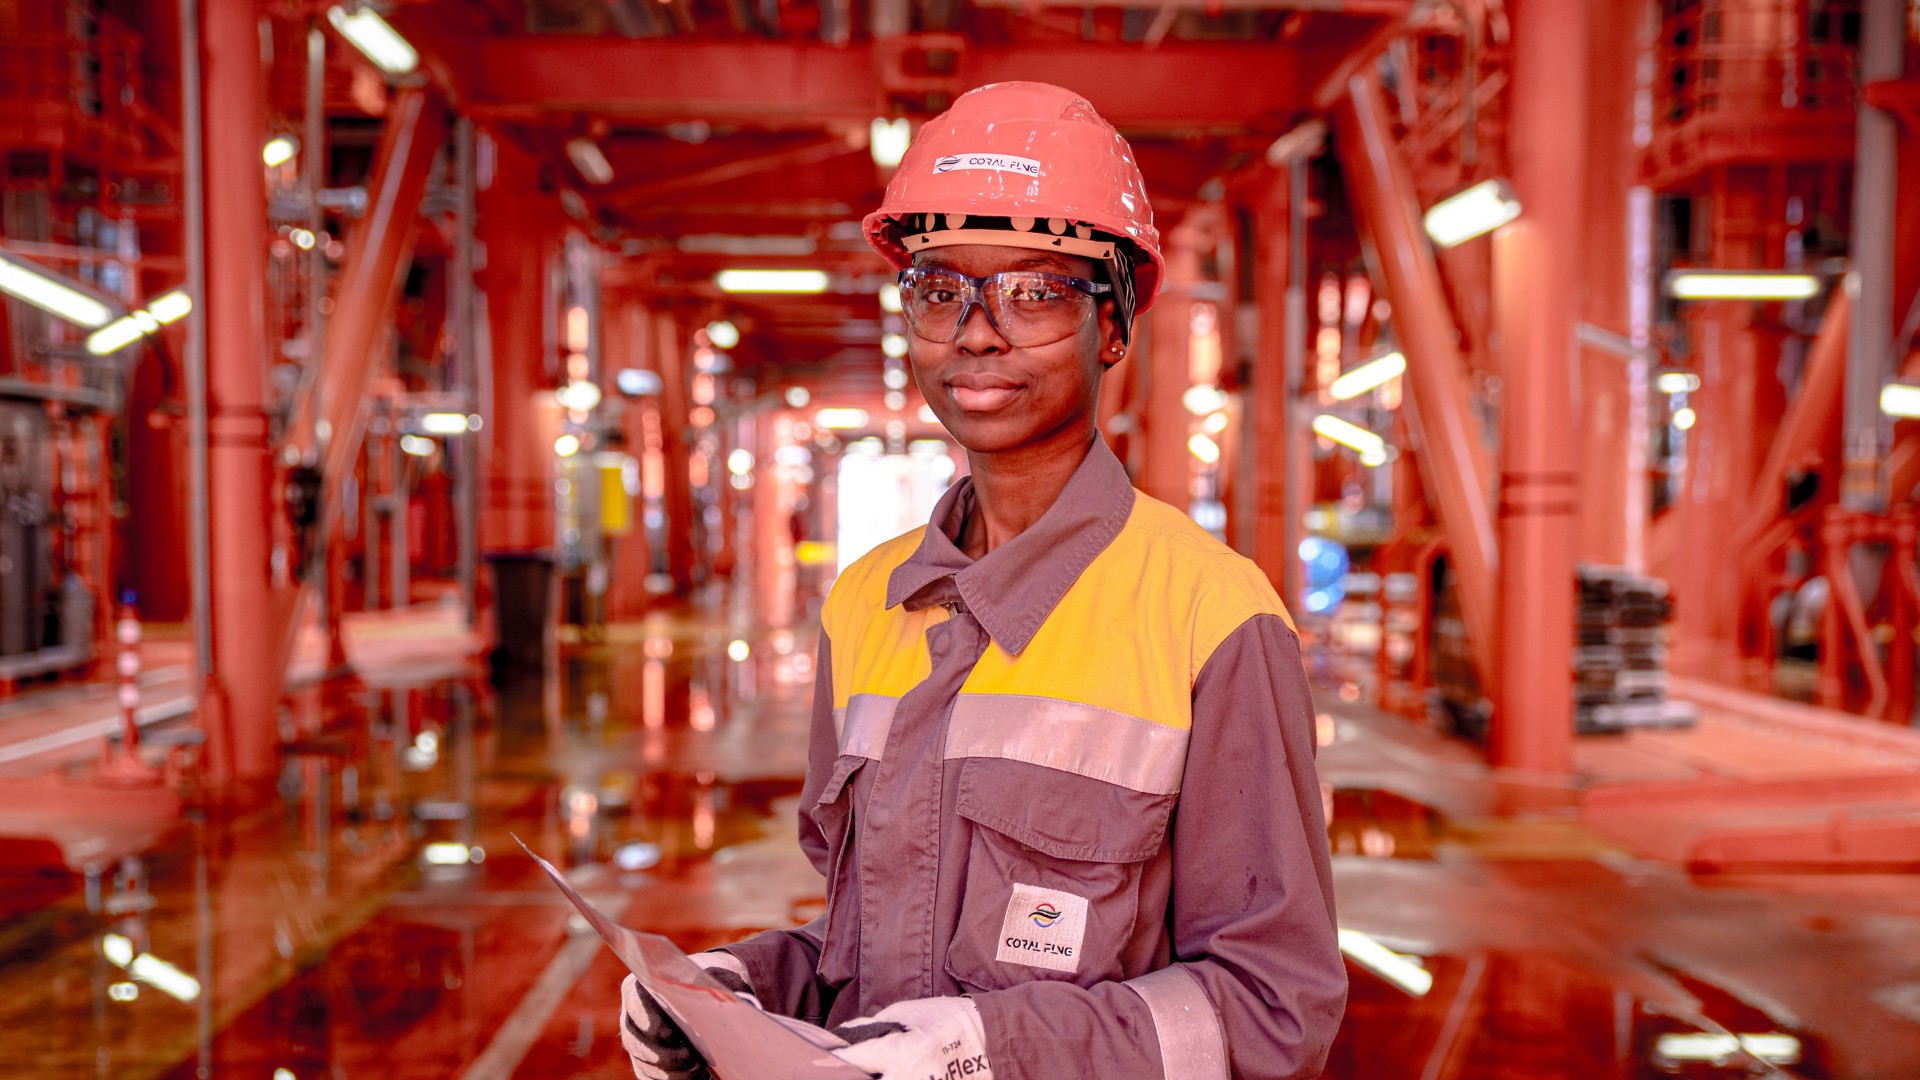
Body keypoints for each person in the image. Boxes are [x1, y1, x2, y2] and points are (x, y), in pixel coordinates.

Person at [620, 81, 1345, 1080]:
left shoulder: (1211, 618)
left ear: (1117, 329)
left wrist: (996, 1051)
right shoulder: (866, 603)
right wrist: (741, 990)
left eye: (1036, 291)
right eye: (938, 289)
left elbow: (1274, 1010)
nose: (977, 332)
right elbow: (866, 948)